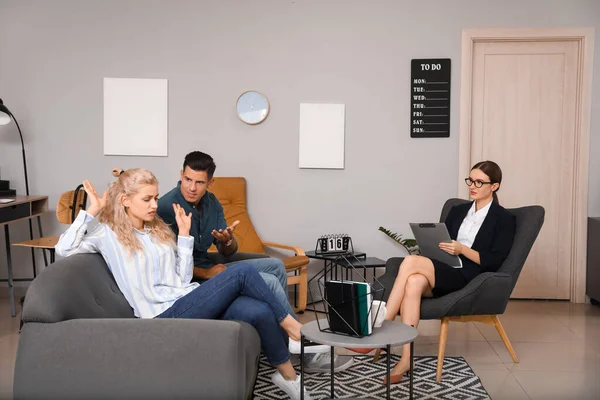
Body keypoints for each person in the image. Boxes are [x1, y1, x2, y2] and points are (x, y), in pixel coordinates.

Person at [55, 168, 314, 400]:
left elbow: (180, 279)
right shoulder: (106, 234)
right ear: (125, 200)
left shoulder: (156, 231)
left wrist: (185, 235)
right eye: (147, 199)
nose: (154, 205)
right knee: (243, 272)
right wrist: (91, 212)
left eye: (155, 198)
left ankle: (289, 379)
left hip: (185, 298)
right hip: (161, 315)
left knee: (257, 311)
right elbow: (63, 250)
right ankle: (294, 330)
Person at [157, 151, 354, 373]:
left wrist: (227, 241)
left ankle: (287, 344)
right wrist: (206, 273)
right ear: (181, 174)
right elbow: (165, 264)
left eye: (199, 182)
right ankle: (295, 346)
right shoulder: (164, 208)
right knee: (268, 281)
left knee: (276, 266)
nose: (192, 187)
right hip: (194, 279)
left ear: (210, 183)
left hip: (214, 267)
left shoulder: (212, 203)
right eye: (188, 179)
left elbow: (228, 252)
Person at [350, 161, 516, 385]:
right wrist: (436, 246)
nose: (472, 186)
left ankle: (380, 331)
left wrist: (462, 249)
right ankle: (406, 360)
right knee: (414, 282)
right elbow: (442, 241)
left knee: (409, 262)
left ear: (494, 186)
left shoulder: (504, 219)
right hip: (445, 267)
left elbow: (495, 260)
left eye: (479, 182)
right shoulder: (458, 211)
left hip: (470, 274)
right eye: (470, 180)